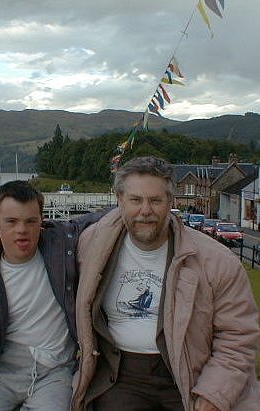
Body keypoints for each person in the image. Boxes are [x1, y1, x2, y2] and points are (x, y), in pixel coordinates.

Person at [71, 156, 260, 411]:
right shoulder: (91, 244)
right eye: (135, 200)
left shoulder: (216, 261)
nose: (145, 210)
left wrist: (213, 394)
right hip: (120, 377)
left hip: (190, 375)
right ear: (119, 199)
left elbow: (238, 336)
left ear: (171, 201)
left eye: (155, 200)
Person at [0, 180, 101, 411]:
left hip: (54, 372)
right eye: (12, 221)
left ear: (42, 221)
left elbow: (99, 219)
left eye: (30, 221)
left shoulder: (62, 252)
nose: (22, 230)